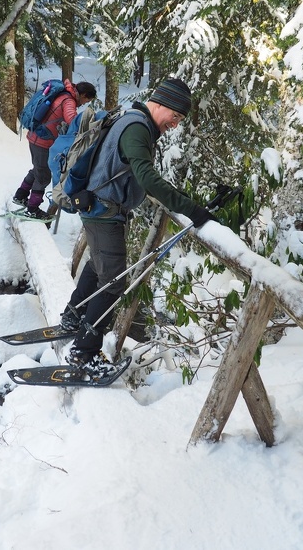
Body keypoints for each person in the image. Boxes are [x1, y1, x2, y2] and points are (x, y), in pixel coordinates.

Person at [59, 77, 218, 378]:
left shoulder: (134, 121)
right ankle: (84, 354)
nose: (176, 123)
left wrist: (185, 202)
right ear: (163, 104)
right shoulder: (136, 129)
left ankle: (73, 317)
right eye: (176, 116)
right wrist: (192, 209)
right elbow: (147, 179)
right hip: (103, 211)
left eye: (181, 119)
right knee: (114, 281)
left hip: (99, 208)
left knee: (99, 265)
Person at [13, 79, 97, 220]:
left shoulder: (63, 94)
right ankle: (32, 209)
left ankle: (20, 196)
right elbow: (72, 120)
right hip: (42, 141)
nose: (84, 104)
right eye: (86, 101)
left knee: (37, 169)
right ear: (83, 95)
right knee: (43, 176)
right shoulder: (68, 101)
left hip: (36, 137)